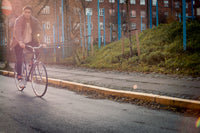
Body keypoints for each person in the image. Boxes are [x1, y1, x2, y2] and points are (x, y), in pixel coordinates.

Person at [10, 5, 42, 80]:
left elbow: (40, 31)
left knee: (37, 50)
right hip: (18, 42)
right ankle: (19, 75)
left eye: (29, 12)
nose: (27, 14)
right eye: (26, 12)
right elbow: (17, 32)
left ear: (31, 13)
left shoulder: (34, 21)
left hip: (29, 41)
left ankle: (31, 64)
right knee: (19, 59)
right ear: (23, 13)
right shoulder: (19, 20)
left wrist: (42, 42)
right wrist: (20, 41)